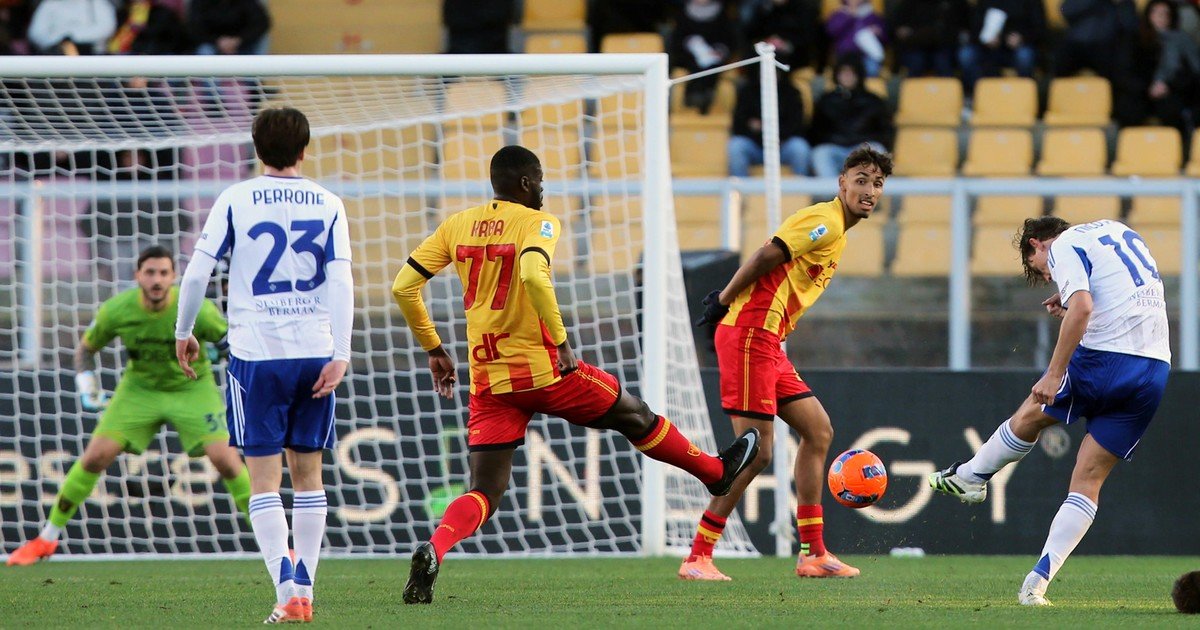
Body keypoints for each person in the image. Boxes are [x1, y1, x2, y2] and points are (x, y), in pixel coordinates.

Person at [392, 145, 761, 604]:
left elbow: (403, 286)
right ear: (526, 183)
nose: (544, 189)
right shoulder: (538, 222)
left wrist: (435, 350)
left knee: (485, 488)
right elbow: (531, 273)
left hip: (489, 381)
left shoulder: (457, 224)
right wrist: (562, 340)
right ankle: (714, 473)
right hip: (545, 369)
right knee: (633, 413)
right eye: (541, 180)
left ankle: (436, 547)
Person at [929, 217, 1171, 606]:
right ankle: (1037, 583)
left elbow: (1084, 308)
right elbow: (1126, 290)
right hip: (1155, 368)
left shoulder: (1064, 245)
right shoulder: (1115, 229)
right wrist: (1076, 296)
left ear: (1037, 244)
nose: (1047, 278)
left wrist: (1054, 372)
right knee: (1088, 479)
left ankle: (972, 476)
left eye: (1040, 270)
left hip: (1108, 359)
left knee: (1034, 408)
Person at [174, 107, 353, 624]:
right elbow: (341, 282)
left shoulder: (236, 198)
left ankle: (285, 590)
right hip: (316, 351)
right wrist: (340, 352)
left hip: (258, 353)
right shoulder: (328, 202)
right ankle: (308, 590)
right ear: (305, 148)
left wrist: (183, 332)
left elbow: (196, 274)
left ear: (256, 148)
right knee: (310, 475)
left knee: (264, 482)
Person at [682, 145, 893, 581]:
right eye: (861, 180)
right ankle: (698, 555)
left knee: (818, 430)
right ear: (841, 183)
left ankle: (813, 553)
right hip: (748, 335)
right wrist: (722, 300)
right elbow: (767, 254)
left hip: (768, 342)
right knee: (754, 453)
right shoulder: (823, 220)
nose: (869, 190)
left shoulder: (839, 230)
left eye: (877, 183)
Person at [6, 246, 251, 567]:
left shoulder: (196, 308)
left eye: (163, 273)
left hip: (191, 387)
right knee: (95, 456)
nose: (157, 280)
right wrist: (86, 384)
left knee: (227, 460)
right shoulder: (117, 310)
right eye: (150, 273)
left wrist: (223, 356)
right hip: (140, 389)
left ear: (173, 277)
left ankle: (276, 548)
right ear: (137, 275)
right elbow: (84, 351)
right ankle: (46, 539)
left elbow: (230, 345)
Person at [809, 55, 893, 178]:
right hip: (834, 148)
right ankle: (834, 195)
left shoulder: (873, 101)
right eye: (843, 72)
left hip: (863, 147)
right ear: (836, 74)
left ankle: (865, 194)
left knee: (876, 150)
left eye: (851, 72)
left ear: (859, 75)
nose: (847, 76)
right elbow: (816, 131)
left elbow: (885, 131)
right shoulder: (826, 101)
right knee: (820, 153)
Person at [727, 68, 812, 176]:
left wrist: (769, 129)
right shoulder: (747, 92)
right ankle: (740, 190)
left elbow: (797, 125)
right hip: (755, 146)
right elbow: (739, 124)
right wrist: (757, 133)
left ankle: (801, 190)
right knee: (736, 146)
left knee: (800, 147)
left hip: (782, 145)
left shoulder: (791, 93)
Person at [959, 0, 1045, 93]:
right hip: (987, 49)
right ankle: (978, 94)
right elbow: (973, 26)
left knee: (1024, 56)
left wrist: (1021, 38)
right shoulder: (984, 2)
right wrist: (984, 39)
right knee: (966, 54)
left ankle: (1023, 94)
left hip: (1017, 48)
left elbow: (1040, 28)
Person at [889, 0, 970, 77]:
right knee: (916, 61)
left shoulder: (954, 3)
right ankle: (912, 90)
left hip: (944, 46)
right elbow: (893, 27)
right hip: (915, 47)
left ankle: (954, 90)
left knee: (943, 62)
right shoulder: (909, 3)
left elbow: (966, 25)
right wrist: (900, 31)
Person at [26, 0, 116, 55]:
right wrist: (62, 40)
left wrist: (73, 37)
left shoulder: (96, 3)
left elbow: (106, 28)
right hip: (56, 55)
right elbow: (36, 33)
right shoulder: (50, 4)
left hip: (91, 56)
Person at [825, 0, 888, 77]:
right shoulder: (839, 15)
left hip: (867, 56)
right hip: (845, 55)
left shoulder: (873, 16)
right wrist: (850, 16)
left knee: (871, 70)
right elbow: (832, 32)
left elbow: (885, 38)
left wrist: (878, 32)